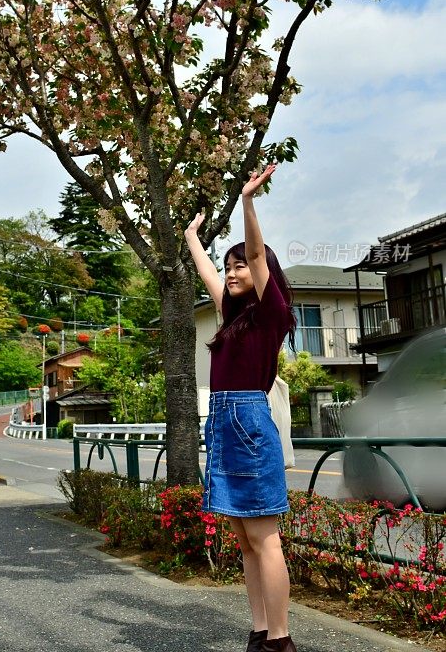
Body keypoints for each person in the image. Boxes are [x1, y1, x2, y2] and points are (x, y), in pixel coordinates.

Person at [184, 165, 297, 652]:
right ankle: (259, 630)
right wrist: (191, 236)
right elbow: (207, 270)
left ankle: (281, 639)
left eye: (241, 266)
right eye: (228, 267)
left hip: (248, 420)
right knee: (245, 539)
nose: (232, 272)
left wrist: (248, 202)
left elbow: (256, 250)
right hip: (224, 424)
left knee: (264, 536)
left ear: (262, 273)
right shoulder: (230, 317)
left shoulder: (273, 314)